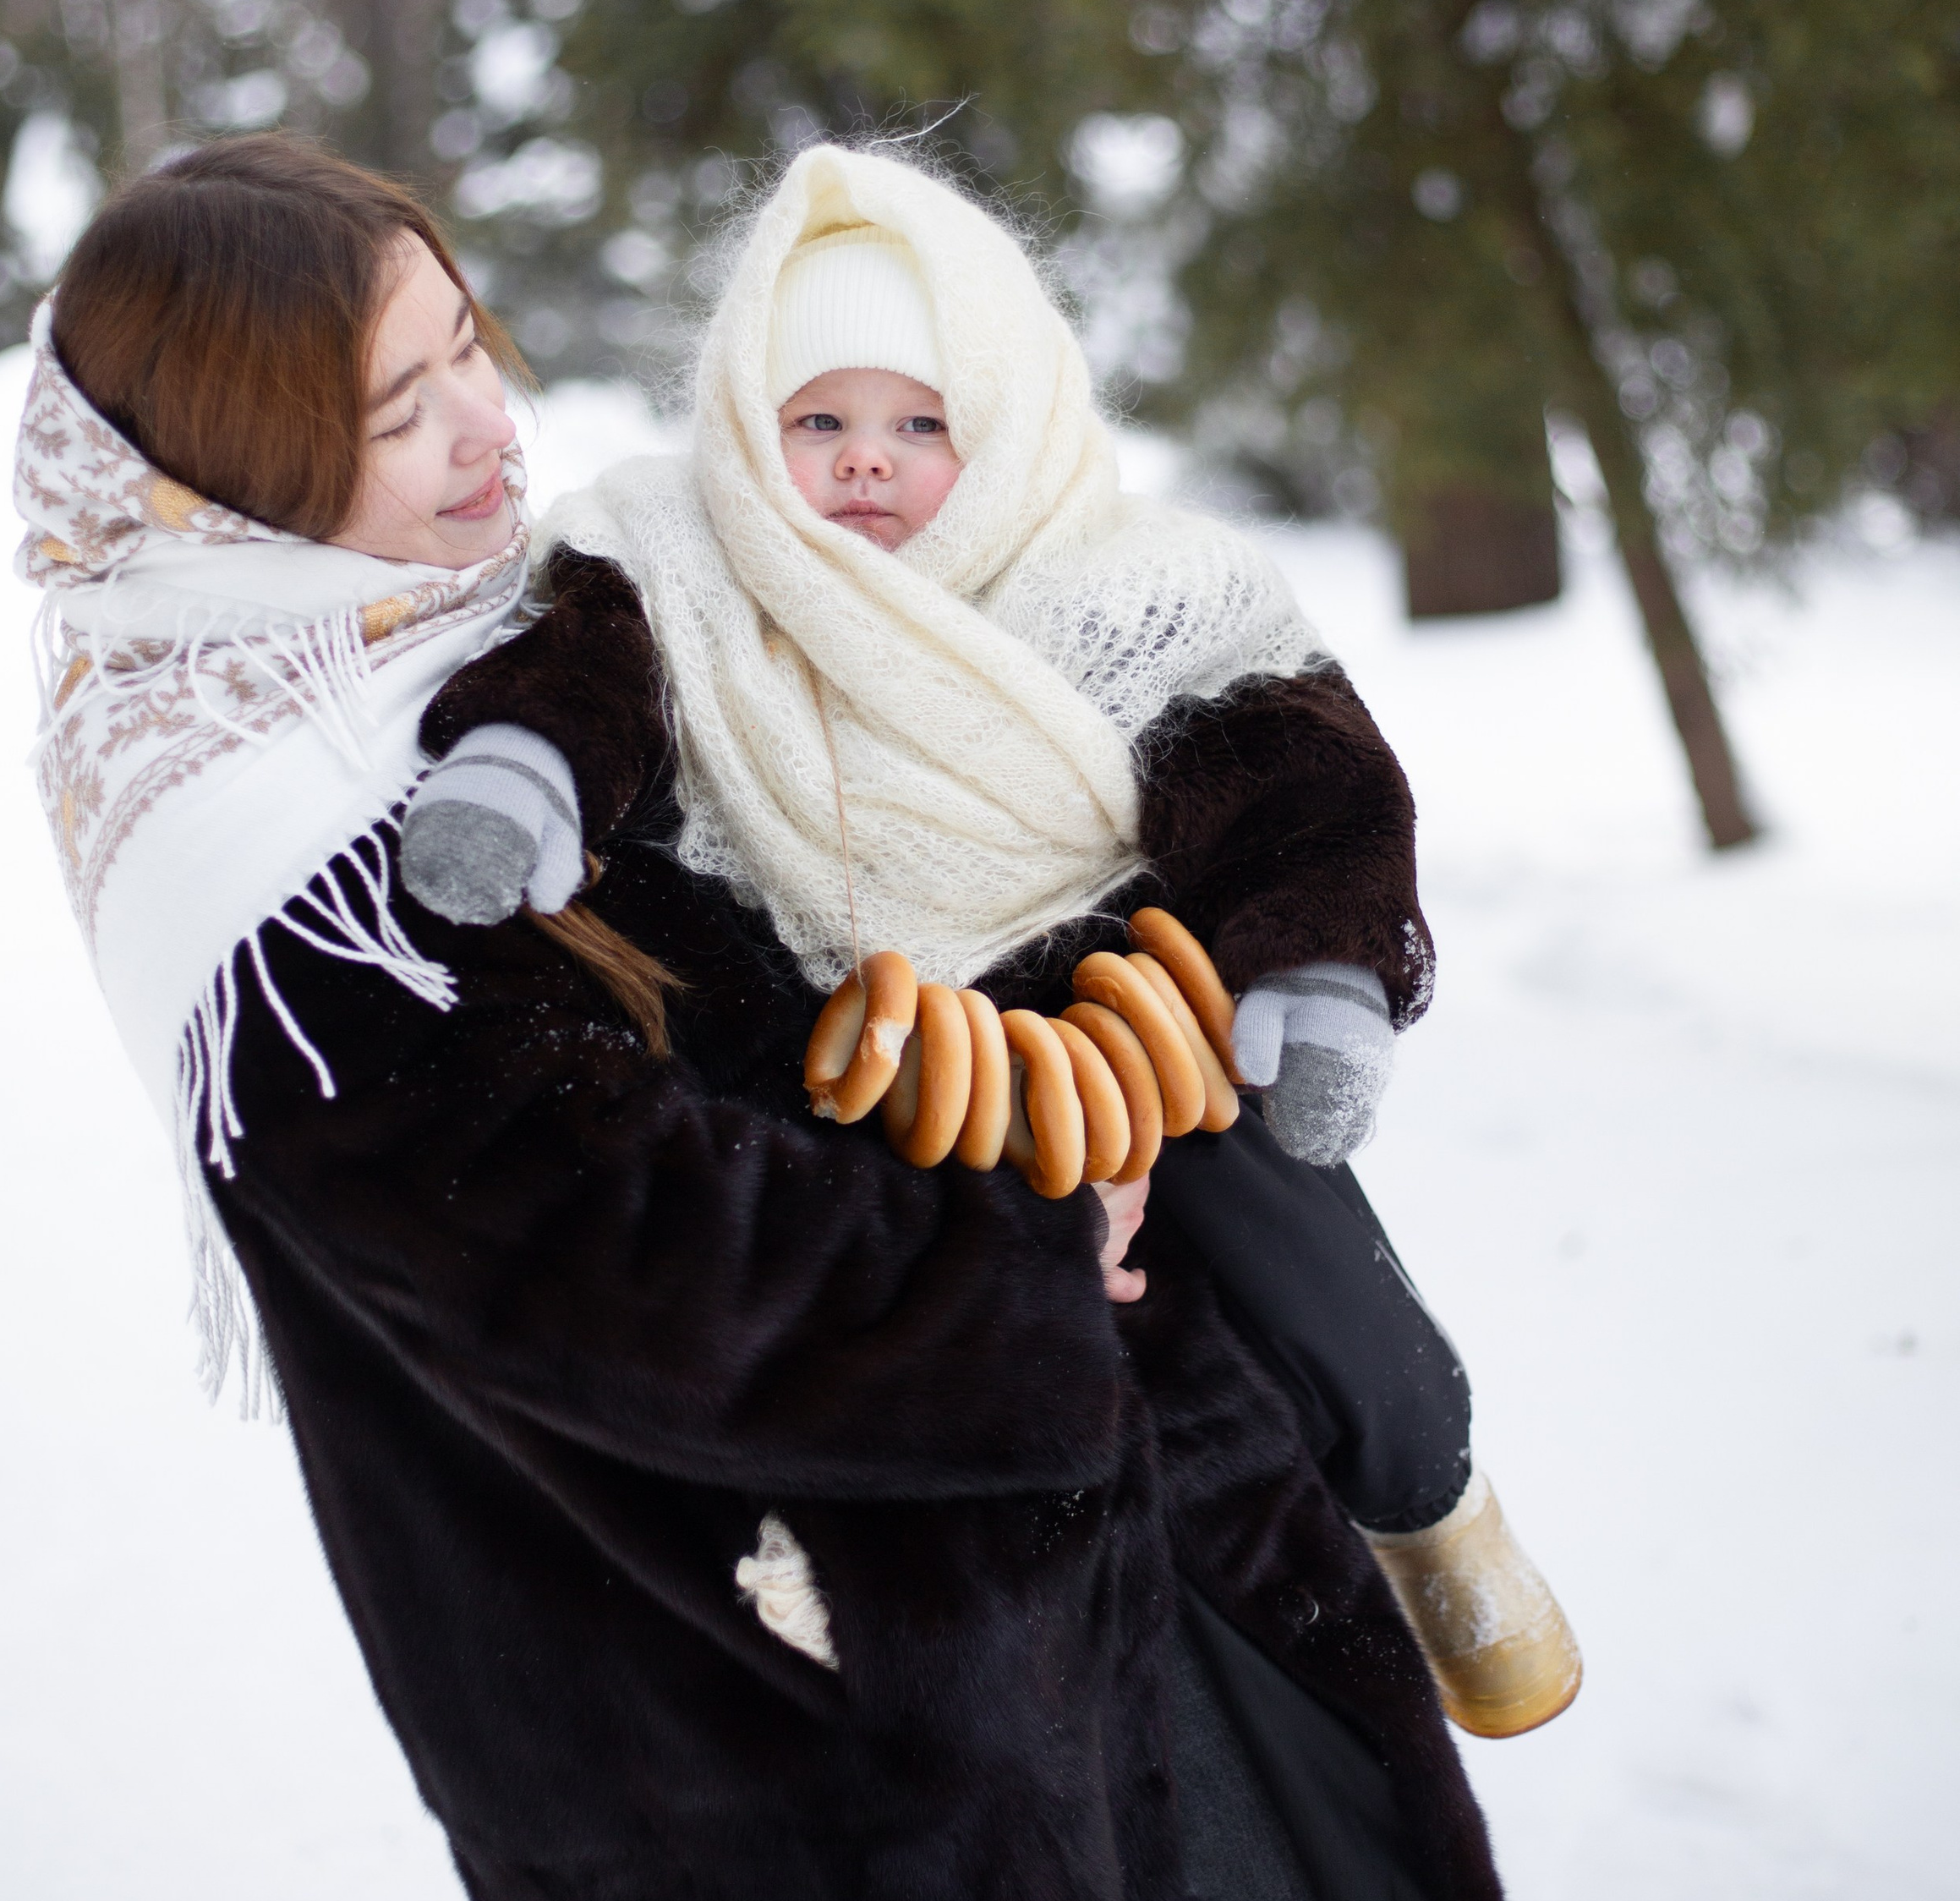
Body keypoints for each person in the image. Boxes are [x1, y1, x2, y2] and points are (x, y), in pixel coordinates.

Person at [19, 133, 1500, 1899]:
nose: (490, 425)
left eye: (465, 343)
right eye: (398, 409)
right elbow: (623, 1262)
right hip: (797, 1749)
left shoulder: (490, 625)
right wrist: (1028, 1227)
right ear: (234, 481)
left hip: (1047, 1574)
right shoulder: (283, 874)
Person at [406, 143, 1579, 1743]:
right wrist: (523, 773)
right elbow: (587, 688)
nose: (865, 466)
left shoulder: (1134, 586)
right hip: (845, 1027)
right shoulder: (676, 568)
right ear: (750, 428)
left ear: (1008, 425)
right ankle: (813, 1536)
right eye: (817, 422)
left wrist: (1321, 967)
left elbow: (1304, 782)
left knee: (1296, 1249)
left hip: (1117, 1012)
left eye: (920, 425)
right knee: (822, 1268)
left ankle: (1429, 1491)